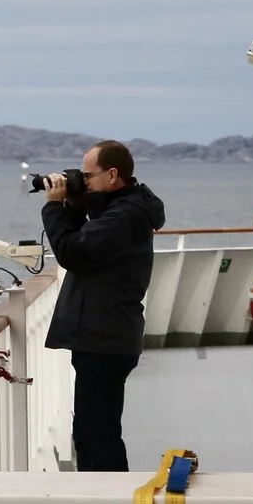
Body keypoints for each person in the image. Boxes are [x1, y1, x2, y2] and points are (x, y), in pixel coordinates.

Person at [41, 141, 165, 471]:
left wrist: (54, 208)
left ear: (112, 175)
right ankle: (110, 503)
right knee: (98, 432)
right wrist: (77, 203)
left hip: (104, 339)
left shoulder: (125, 216)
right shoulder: (127, 209)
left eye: (88, 175)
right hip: (106, 336)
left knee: (96, 437)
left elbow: (72, 251)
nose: (85, 181)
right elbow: (90, 234)